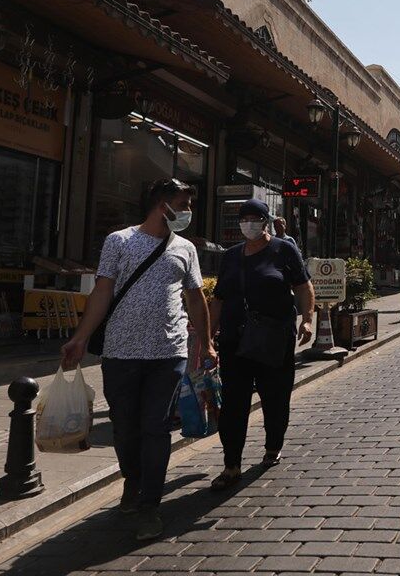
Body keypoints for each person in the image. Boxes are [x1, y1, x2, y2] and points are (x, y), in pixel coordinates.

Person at [60, 178, 213, 541]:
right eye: (183, 203)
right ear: (162, 203)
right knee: (125, 427)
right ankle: (132, 480)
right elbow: (102, 291)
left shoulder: (185, 248)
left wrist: (205, 344)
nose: (188, 211)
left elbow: (195, 298)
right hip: (120, 351)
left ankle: (150, 504)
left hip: (168, 353)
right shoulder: (119, 241)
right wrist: (80, 338)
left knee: (155, 426)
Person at [208, 199, 315, 490]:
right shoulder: (230, 256)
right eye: (245, 219)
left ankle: (273, 444)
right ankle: (231, 464)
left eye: (255, 218)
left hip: (273, 339)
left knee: (275, 397)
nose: (249, 224)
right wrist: (207, 335)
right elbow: (219, 298)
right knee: (233, 404)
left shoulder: (283, 250)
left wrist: (307, 320)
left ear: (266, 221)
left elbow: (303, 287)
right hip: (235, 340)